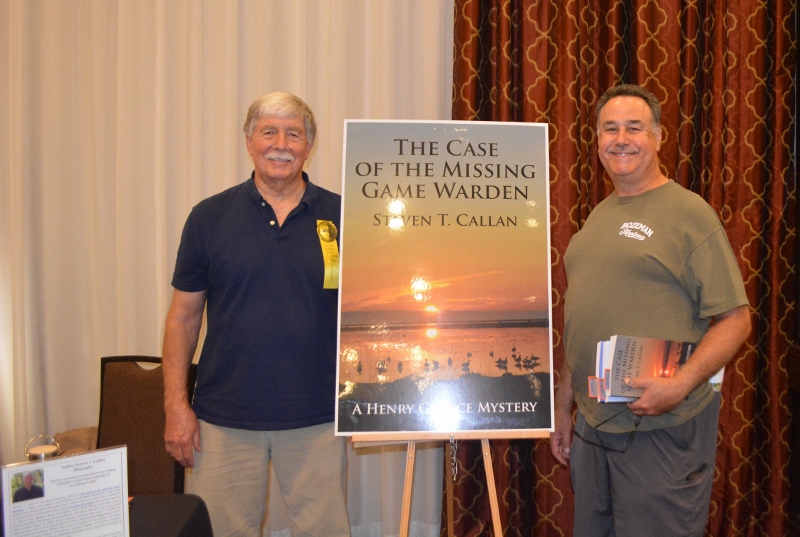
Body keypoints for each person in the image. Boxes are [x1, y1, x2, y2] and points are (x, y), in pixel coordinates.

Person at [550, 84, 751, 536]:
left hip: (659, 426)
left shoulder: (689, 214)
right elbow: (582, 320)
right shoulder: (598, 216)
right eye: (610, 129)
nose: (621, 138)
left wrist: (679, 384)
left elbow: (736, 319)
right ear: (597, 140)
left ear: (658, 136)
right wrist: (563, 407)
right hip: (594, 425)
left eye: (634, 128)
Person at [162, 92, 350, 536]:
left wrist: (366, 405)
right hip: (224, 419)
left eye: (293, 133)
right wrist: (175, 406)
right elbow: (183, 319)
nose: (280, 143)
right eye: (268, 132)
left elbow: (368, 315)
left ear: (309, 145)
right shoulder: (207, 218)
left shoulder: (345, 216)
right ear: (249, 141)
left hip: (319, 417)